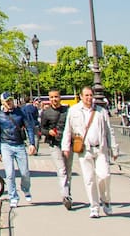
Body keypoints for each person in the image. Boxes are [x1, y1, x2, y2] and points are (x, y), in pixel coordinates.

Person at [64, 86, 119, 218]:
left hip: (100, 149)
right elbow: (68, 129)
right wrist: (65, 146)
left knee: (104, 175)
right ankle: (94, 206)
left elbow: (109, 130)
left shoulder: (101, 111)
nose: (89, 98)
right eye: (86, 95)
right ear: (81, 96)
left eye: (91, 95)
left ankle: (105, 200)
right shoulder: (73, 111)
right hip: (85, 150)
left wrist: (114, 148)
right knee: (89, 179)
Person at [0, 93, 37, 207]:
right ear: (3, 102)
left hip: (19, 145)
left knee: (25, 172)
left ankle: (26, 189)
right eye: (7, 101)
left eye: (10, 100)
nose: (9, 103)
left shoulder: (21, 113)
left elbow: (29, 127)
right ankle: (13, 196)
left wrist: (32, 143)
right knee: (10, 173)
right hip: (6, 145)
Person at [39, 89, 75, 210]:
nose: (54, 99)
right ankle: (65, 196)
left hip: (68, 144)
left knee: (68, 171)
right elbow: (41, 129)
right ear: (49, 99)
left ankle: (67, 193)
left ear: (60, 98)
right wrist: (48, 132)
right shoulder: (46, 113)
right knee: (62, 170)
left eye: (56, 97)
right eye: (52, 97)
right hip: (54, 144)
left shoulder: (67, 111)